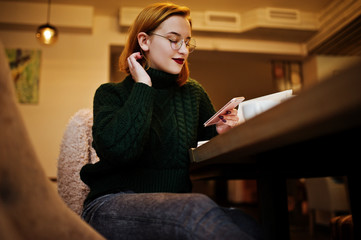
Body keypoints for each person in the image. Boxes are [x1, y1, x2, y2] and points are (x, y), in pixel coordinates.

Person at [80, 3, 262, 240]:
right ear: (144, 42)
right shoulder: (110, 94)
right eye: (173, 40)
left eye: (187, 42)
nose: (183, 50)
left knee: (243, 220)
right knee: (196, 208)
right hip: (111, 204)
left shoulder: (192, 93)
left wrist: (220, 132)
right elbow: (120, 151)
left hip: (174, 204)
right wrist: (143, 86)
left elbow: (204, 151)